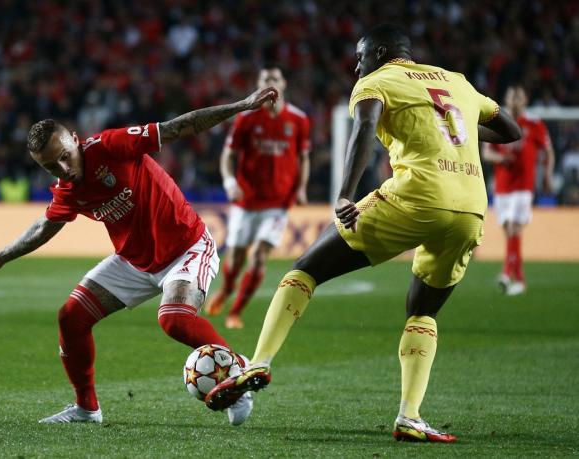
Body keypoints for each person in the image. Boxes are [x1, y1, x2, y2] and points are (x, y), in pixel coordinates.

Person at [205, 24, 521, 443]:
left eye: (361, 56)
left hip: (416, 196)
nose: (357, 64)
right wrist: (453, 130)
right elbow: (511, 131)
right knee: (422, 312)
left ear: (383, 53)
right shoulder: (456, 81)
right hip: (472, 210)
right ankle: (410, 415)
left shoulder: (376, 82)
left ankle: (259, 362)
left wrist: (342, 194)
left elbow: (365, 129)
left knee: (305, 270)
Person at [0, 86, 279, 425]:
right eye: (50, 167)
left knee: (173, 320)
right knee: (71, 318)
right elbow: (45, 227)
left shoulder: (111, 145)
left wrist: (242, 106)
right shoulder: (68, 190)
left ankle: (239, 378)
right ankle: (87, 409)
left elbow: (178, 127)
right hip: (134, 261)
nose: (62, 168)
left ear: (75, 139)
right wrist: (1, 256)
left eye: (64, 156)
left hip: (186, 247)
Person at [204, 65, 311, 329]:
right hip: (246, 200)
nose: (271, 82)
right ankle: (227, 290)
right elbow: (228, 155)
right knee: (237, 256)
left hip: (278, 202)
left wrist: (301, 188)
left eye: (275, 78)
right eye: (265, 80)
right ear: (259, 86)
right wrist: (229, 181)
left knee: (260, 256)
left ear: (284, 83)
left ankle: (235, 312)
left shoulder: (298, 120)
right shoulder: (246, 119)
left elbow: (303, 157)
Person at [482, 85, 555, 295]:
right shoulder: (499, 121)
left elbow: (548, 151)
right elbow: (487, 153)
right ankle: (519, 278)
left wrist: (548, 174)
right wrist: (501, 158)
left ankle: (506, 273)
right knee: (509, 231)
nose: (515, 101)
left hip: (524, 185)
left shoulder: (534, 123)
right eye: (512, 97)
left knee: (514, 226)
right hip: (503, 186)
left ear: (525, 100)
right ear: (506, 99)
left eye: (519, 97)